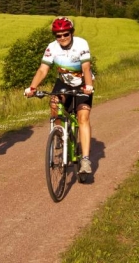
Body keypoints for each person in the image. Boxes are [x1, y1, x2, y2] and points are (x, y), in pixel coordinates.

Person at [24, 17, 94, 175]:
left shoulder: (81, 44)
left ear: (72, 33)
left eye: (65, 34)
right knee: (54, 102)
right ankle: (60, 133)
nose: (62, 38)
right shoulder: (52, 47)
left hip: (83, 82)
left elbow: (86, 67)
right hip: (63, 82)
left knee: (83, 117)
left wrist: (88, 86)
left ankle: (85, 159)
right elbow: (43, 69)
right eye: (58, 35)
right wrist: (32, 87)